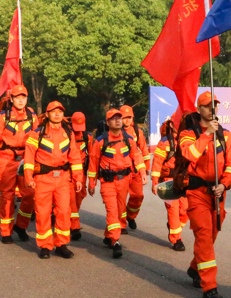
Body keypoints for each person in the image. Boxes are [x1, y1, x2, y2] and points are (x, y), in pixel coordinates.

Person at [178, 91, 231, 298]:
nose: (212, 109)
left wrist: (225, 183)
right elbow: (189, 154)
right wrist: (206, 135)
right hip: (197, 193)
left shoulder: (226, 135)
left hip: (218, 193)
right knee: (204, 235)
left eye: (215, 105)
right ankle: (210, 287)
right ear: (199, 109)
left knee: (212, 234)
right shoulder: (188, 134)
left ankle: (195, 268)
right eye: (207, 106)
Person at [24, 101, 84, 259]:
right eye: (53, 111)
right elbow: (29, 157)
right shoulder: (36, 133)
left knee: (64, 212)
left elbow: (75, 157)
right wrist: (29, 177)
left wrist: (78, 178)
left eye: (60, 111)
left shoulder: (68, 133)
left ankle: (61, 245)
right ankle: (45, 246)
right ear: (47, 114)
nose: (57, 114)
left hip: (63, 178)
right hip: (43, 179)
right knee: (43, 213)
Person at [87, 108, 144, 259]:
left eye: (119, 118)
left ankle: (108, 235)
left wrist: (143, 172)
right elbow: (93, 163)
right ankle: (115, 241)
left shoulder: (128, 139)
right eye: (114, 119)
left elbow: (137, 156)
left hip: (124, 181)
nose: (118, 121)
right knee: (112, 210)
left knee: (119, 211)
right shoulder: (100, 141)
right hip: (108, 182)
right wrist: (91, 183)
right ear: (107, 123)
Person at [0, 85, 37, 244]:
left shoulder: (32, 116)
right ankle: (6, 231)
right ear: (12, 99)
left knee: (30, 195)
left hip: (26, 159)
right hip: (5, 158)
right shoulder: (2, 117)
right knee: (7, 196)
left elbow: (38, 139)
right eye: (17, 97)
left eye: (23, 97)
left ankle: (21, 226)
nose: (21, 100)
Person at [150, 119, 188, 251]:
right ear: (172, 125)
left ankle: (174, 226)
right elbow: (157, 162)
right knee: (173, 209)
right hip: (169, 180)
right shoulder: (165, 142)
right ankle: (176, 239)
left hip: (184, 180)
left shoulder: (189, 139)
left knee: (186, 210)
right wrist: (155, 181)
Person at [119, 105, 147, 230]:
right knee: (120, 198)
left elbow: (144, 151)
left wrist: (145, 170)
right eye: (125, 117)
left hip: (136, 170)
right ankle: (121, 224)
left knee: (138, 196)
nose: (127, 120)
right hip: (121, 171)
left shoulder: (137, 132)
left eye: (129, 117)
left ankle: (130, 216)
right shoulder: (115, 131)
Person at [69, 112, 90, 241]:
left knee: (79, 195)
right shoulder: (66, 134)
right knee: (70, 199)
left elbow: (92, 157)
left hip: (81, 171)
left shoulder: (87, 137)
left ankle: (70, 218)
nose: (78, 131)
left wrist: (92, 180)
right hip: (68, 171)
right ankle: (74, 226)